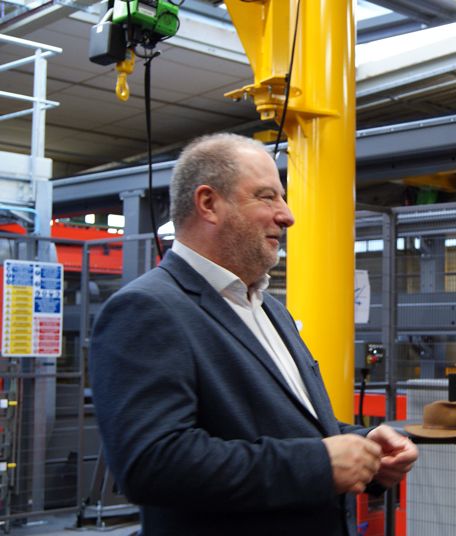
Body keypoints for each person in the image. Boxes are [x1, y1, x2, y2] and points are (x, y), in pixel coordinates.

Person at [89, 133, 418, 536]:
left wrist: (364, 445)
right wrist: (318, 463)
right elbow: (153, 462)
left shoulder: (267, 308)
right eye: (267, 197)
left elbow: (287, 426)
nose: (287, 215)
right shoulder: (147, 309)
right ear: (209, 203)